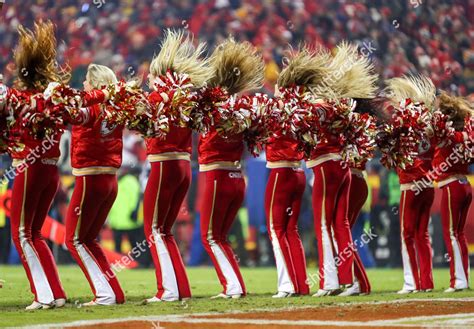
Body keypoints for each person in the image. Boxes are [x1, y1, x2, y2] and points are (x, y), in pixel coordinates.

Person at [143, 30, 211, 303]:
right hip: (184, 165)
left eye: (149, 76)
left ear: (158, 74)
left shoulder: (160, 97)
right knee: (165, 230)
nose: (146, 80)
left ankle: (167, 290)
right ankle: (180, 288)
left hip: (164, 165)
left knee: (153, 229)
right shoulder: (184, 96)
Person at [198, 38, 264, 299]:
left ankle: (233, 287)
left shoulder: (212, 106)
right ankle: (236, 285)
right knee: (221, 236)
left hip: (217, 175)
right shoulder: (242, 107)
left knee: (210, 236)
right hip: (237, 176)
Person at [65, 64, 125, 306]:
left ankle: (104, 294)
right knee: (89, 239)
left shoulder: (92, 107)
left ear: (97, 83)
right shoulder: (117, 107)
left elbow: (73, 114)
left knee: (74, 239)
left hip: (90, 178)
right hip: (110, 180)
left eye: (87, 82)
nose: (84, 87)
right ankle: (114, 292)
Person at [385, 75, 437, 294]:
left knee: (407, 234)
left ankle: (411, 282)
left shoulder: (406, 124)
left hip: (411, 184)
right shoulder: (429, 125)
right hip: (428, 185)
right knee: (422, 235)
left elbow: (391, 146)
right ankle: (426, 282)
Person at [433, 93, 473, 292]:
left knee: (451, 233)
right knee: (459, 234)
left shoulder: (446, 134)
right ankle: (463, 279)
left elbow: (435, 132)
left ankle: (457, 280)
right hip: (465, 185)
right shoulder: (465, 134)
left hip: (451, 186)